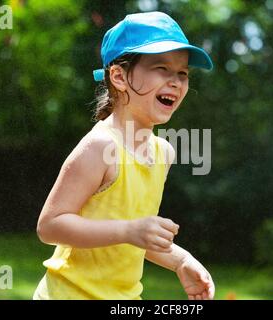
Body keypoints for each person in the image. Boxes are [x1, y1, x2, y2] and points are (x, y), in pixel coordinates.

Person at [33, 11, 215, 300]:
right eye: (161, 68)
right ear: (119, 76)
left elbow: (137, 235)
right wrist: (129, 230)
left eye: (182, 73)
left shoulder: (162, 152)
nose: (176, 82)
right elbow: (50, 226)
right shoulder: (100, 147)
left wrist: (181, 260)